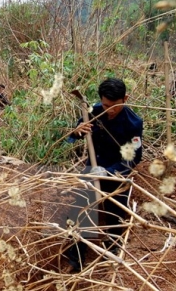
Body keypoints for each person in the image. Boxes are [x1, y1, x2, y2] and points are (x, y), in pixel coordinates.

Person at [67, 78, 143, 271]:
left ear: (125, 98)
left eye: (115, 106)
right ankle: (75, 258)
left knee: (115, 215)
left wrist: (108, 173)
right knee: (81, 212)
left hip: (117, 173)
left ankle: (110, 257)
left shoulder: (133, 123)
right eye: (106, 105)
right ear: (101, 100)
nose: (110, 110)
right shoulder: (94, 111)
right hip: (92, 168)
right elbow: (75, 134)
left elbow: (133, 158)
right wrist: (77, 132)